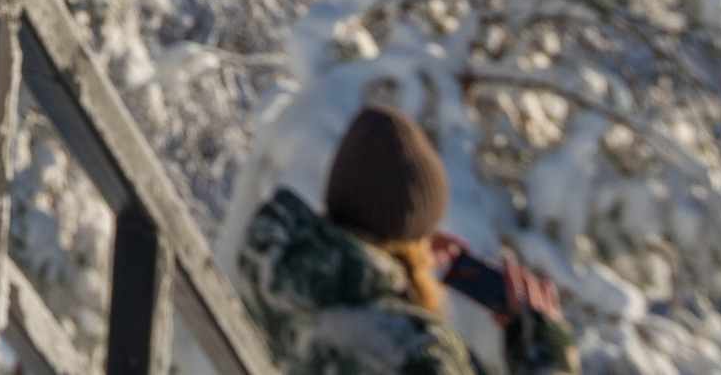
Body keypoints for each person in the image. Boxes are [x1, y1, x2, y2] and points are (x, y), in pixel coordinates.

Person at [238, 107, 580, 375]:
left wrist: (384, 267)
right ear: (410, 243)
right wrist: (545, 358)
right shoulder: (416, 352)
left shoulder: (267, 275)